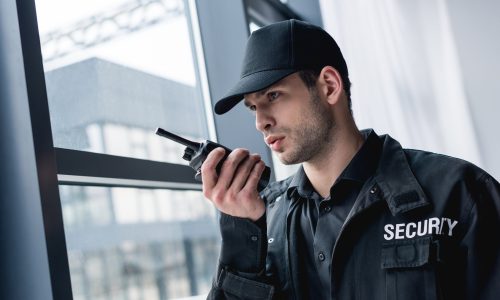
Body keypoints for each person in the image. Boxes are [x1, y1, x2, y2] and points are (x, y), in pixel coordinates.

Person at [201, 19, 500, 299]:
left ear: (329, 86)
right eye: (253, 107)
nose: (261, 122)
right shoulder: (261, 219)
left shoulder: (460, 193)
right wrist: (242, 241)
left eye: (273, 96)